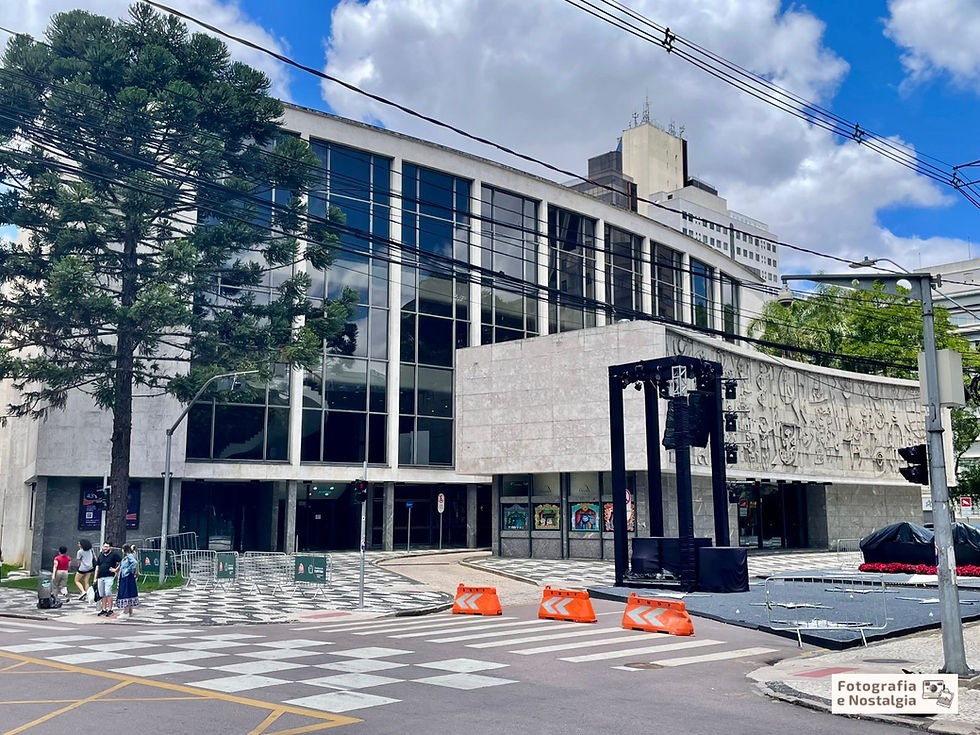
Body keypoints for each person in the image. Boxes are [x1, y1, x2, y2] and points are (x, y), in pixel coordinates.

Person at [94, 541, 121, 618]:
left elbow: (121, 561)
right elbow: (97, 566)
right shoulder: (101, 555)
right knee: (102, 594)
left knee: (108, 592)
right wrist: (95, 578)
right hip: (100, 577)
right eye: (104, 546)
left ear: (110, 547)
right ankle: (103, 609)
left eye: (107, 547)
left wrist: (116, 569)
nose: (105, 548)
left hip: (109, 577)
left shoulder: (114, 555)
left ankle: (110, 609)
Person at [114, 543, 139, 621]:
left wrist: (128, 570)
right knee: (128, 592)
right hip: (126, 577)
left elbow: (135, 563)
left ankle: (126, 612)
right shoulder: (126, 557)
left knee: (126, 592)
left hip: (127, 577)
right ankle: (129, 611)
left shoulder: (129, 556)